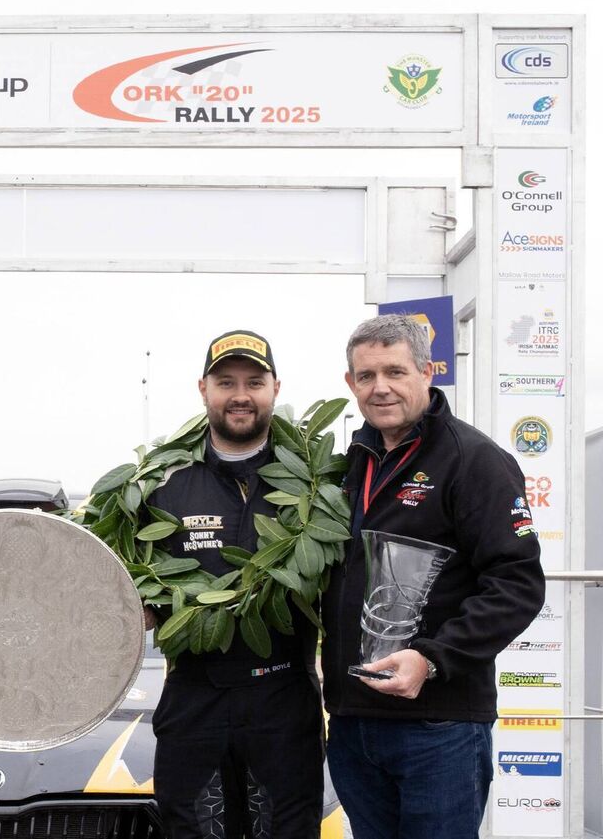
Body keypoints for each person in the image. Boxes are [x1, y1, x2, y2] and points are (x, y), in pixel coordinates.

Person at [322, 314, 545, 839]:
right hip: (354, 721)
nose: (381, 388)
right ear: (350, 384)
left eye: (395, 371)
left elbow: (517, 582)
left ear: (427, 372)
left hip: (437, 724)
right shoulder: (349, 465)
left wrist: (432, 658)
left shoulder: (475, 460)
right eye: (366, 375)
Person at [147, 330, 323, 839]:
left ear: (275, 388)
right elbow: (117, 573)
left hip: (283, 694)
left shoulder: (317, 481)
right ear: (203, 388)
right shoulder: (162, 482)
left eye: (254, 381)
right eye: (226, 381)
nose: (240, 394)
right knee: (189, 826)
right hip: (194, 693)